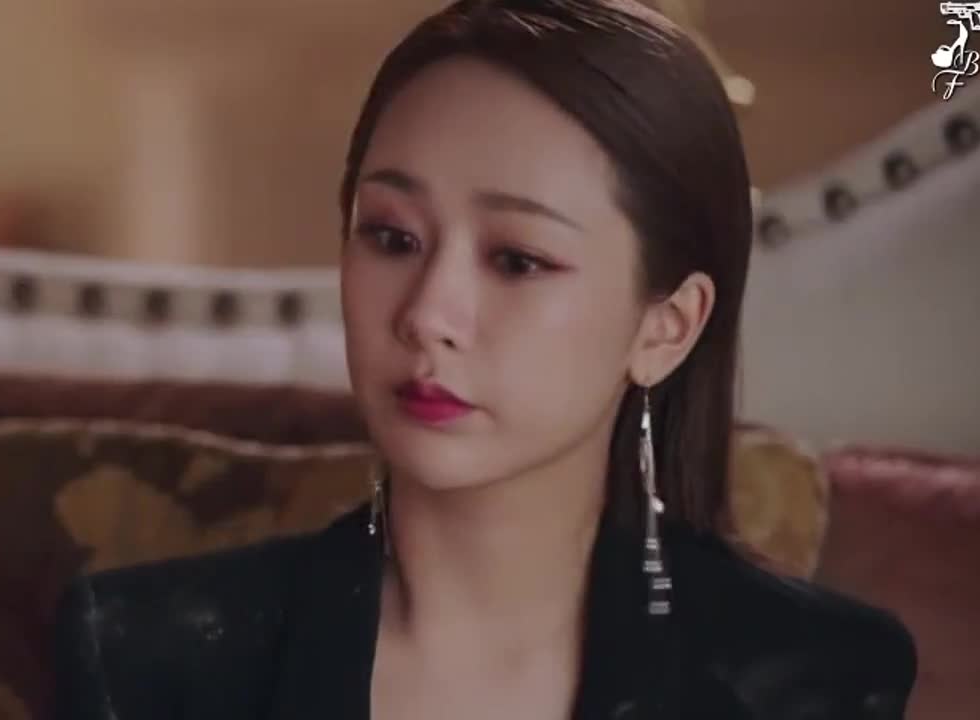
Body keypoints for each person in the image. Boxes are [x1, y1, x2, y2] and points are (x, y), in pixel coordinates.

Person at [53, 1, 917, 717]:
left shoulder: (808, 677)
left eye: (517, 259)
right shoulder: (149, 657)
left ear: (666, 327)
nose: (427, 314)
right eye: (392, 238)